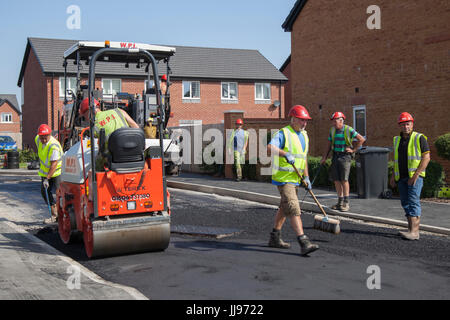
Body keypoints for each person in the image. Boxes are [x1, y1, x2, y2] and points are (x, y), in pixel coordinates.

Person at [267, 105, 319, 256]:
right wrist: (284, 153)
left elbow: (303, 159)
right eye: (302, 120)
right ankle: (304, 241)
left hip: (296, 179)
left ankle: (274, 238)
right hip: (284, 179)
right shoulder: (284, 133)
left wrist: (306, 176)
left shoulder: (305, 135)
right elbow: (269, 148)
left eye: (306, 121)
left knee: (284, 208)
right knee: (293, 206)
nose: (304, 123)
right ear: (294, 119)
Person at [390, 112, 430, 240]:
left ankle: (415, 232)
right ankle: (410, 229)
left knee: (413, 202)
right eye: (403, 124)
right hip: (401, 177)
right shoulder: (397, 140)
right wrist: (392, 176)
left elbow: (426, 157)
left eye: (407, 124)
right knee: (405, 203)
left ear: (412, 124)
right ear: (399, 126)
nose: (405, 127)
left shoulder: (419, 138)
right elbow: (396, 160)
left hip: (414, 177)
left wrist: (416, 175)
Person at [320, 112, 365, 212]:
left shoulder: (348, 129)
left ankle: (346, 203)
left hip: (345, 157)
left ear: (341, 121)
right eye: (333, 121)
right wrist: (324, 157)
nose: (334, 124)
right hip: (335, 155)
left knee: (344, 180)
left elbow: (361, 139)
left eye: (335, 121)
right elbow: (328, 144)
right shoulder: (332, 130)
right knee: (336, 180)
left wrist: (353, 150)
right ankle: (339, 202)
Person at [79, 97, 139, 170]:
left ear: (89, 111)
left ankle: (97, 180)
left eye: (85, 117)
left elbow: (101, 147)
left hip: (114, 157)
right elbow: (135, 127)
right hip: (132, 152)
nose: (86, 120)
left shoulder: (95, 126)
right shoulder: (119, 111)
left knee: (97, 161)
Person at [35, 124, 63, 224]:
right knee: (44, 192)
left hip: (56, 172)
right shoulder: (38, 139)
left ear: (49, 135)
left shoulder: (53, 146)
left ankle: (63, 216)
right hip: (45, 172)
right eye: (41, 138)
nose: (43, 140)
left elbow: (54, 164)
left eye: (45, 138)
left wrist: (47, 178)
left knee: (60, 194)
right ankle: (54, 215)